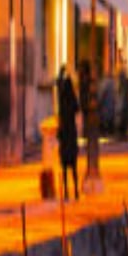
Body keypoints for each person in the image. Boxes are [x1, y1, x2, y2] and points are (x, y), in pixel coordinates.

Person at [55, 65, 80, 201]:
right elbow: (77, 108)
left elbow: (58, 84)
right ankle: (75, 191)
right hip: (71, 134)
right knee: (73, 166)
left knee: (64, 167)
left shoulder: (62, 101)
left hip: (65, 135)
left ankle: (66, 192)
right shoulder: (72, 101)